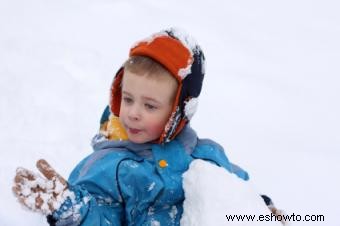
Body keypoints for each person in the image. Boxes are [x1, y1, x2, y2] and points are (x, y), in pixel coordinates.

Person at [12, 28, 282, 226]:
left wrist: (261, 209)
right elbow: (101, 218)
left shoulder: (206, 156)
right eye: (127, 99)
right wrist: (71, 209)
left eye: (150, 106)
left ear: (179, 112)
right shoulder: (110, 167)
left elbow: (236, 194)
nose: (133, 113)